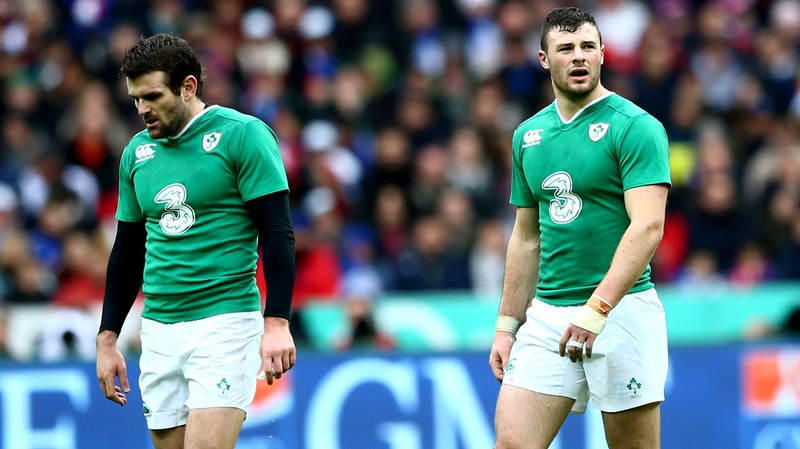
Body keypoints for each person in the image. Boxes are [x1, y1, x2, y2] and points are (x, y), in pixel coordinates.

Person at [95, 34, 297, 449]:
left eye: (152, 96)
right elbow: (127, 250)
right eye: (135, 99)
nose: (142, 109)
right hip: (158, 329)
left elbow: (277, 231)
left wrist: (277, 321)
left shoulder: (243, 135)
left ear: (188, 87)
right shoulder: (136, 154)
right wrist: (107, 338)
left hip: (224, 322)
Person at [489, 7, 671, 449]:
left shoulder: (636, 127)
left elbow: (648, 226)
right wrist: (506, 324)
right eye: (566, 48)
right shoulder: (528, 136)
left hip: (621, 312)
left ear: (603, 54)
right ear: (543, 59)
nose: (579, 56)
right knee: (512, 444)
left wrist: (597, 309)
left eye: (588, 46)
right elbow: (526, 237)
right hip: (548, 315)